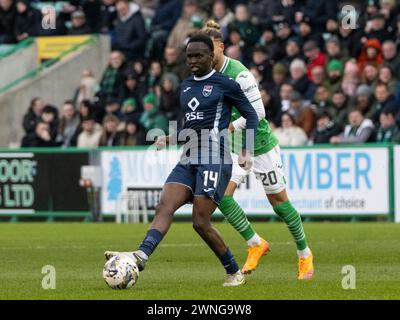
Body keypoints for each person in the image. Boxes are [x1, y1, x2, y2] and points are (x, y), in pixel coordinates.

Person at [105, 33, 259, 287]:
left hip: (215, 158)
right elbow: (193, 124)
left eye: (199, 55)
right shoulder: (186, 86)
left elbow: (252, 116)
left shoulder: (226, 84)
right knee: (164, 205)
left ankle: (234, 271)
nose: (193, 60)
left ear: (211, 56)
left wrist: (247, 150)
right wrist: (171, 137)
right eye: (189, 56)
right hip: (189, 156)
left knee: (200, 221)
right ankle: (141, 257)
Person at [201, 21, 314, 279]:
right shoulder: (209, 76)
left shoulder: (239, 73)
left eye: (209, 50)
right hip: (234, 147)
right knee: (222, 197)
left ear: (220, 47)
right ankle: (255, 243)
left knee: (279, 204)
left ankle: (305, 253)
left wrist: (230, 127)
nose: (205, 56)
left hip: (259, 144)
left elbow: (259, 113)